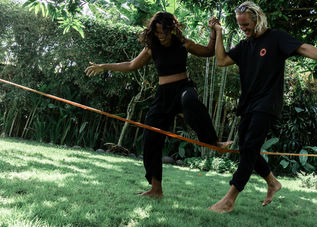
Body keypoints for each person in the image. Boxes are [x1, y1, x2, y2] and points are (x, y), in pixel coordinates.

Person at [209, 1, 317, 213]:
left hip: (267, 103)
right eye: (240, 26)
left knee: (249, 147)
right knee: (248, 149)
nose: (244, 29)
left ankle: (230, 199)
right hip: (248, 103)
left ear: (258, 19)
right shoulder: (245, 46)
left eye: (246, 24)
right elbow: (221, 60)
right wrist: (218, 32)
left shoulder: (276, 38)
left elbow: (303, 48)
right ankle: (273, 182)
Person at [85, 11, 231, 198]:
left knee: (190, 101)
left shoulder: (183, 43)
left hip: (183, 88)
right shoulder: (151, 47)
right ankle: (156, 189)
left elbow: (209, 52)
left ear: (171, 29)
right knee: (151, 140)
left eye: (163, 32)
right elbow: (131, 65)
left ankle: (212, 141)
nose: (160, 36)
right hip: (163, 96)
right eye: (157, 32)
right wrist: (104, 66)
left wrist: (214, 32)